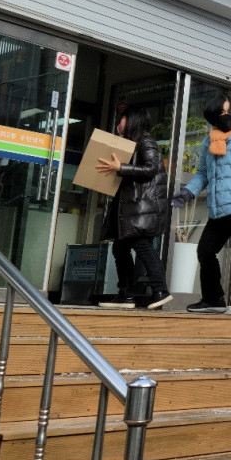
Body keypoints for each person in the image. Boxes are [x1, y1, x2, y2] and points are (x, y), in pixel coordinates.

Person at [170, 94, 231, 315]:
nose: (226, 116)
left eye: (230, 112)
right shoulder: (209, 141)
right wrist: (188, 192)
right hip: (219, 208)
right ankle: (213, 299)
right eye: (221, 113)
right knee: (205, 251)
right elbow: (203, 173)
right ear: (213, 115)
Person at [95, 105, 172, 310]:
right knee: (120, 248)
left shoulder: (146, 142)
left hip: (141, 207)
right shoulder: (132, 144)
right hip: (132, 208)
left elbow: (150, 169)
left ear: (132, 121)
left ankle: (160, 291)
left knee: (142, 245)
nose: (120, 123)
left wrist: (120, 167)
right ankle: (126, 294)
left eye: (123, 119)